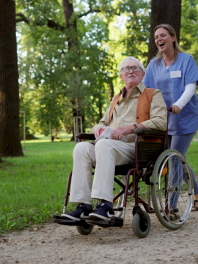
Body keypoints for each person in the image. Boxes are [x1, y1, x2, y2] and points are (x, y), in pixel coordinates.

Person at [59, 56, 167, 222]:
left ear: (143, 73)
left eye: (135, 68)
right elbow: (100, 123)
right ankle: (84, 206)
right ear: (121, 76)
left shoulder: (153, 94)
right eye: (126, 69)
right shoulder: (116, 99)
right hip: (109, 147)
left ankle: (106, 206)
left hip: (137, 147)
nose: (130, 71)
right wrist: (99, 129)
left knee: (104, 145)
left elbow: (161, 121)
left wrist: (131, 128)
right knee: (81, 148)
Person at [143, 23, 198, 211]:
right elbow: (146, 91)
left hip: (184, 117)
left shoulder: (186, 60)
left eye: (163, 35)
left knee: (173, 159)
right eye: (156, 37)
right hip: (163, 119)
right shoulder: (153, 65)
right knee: (178, 158)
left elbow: (190, 87)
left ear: (173, 37)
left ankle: (171, 205)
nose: (159, 39)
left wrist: (179, 105)